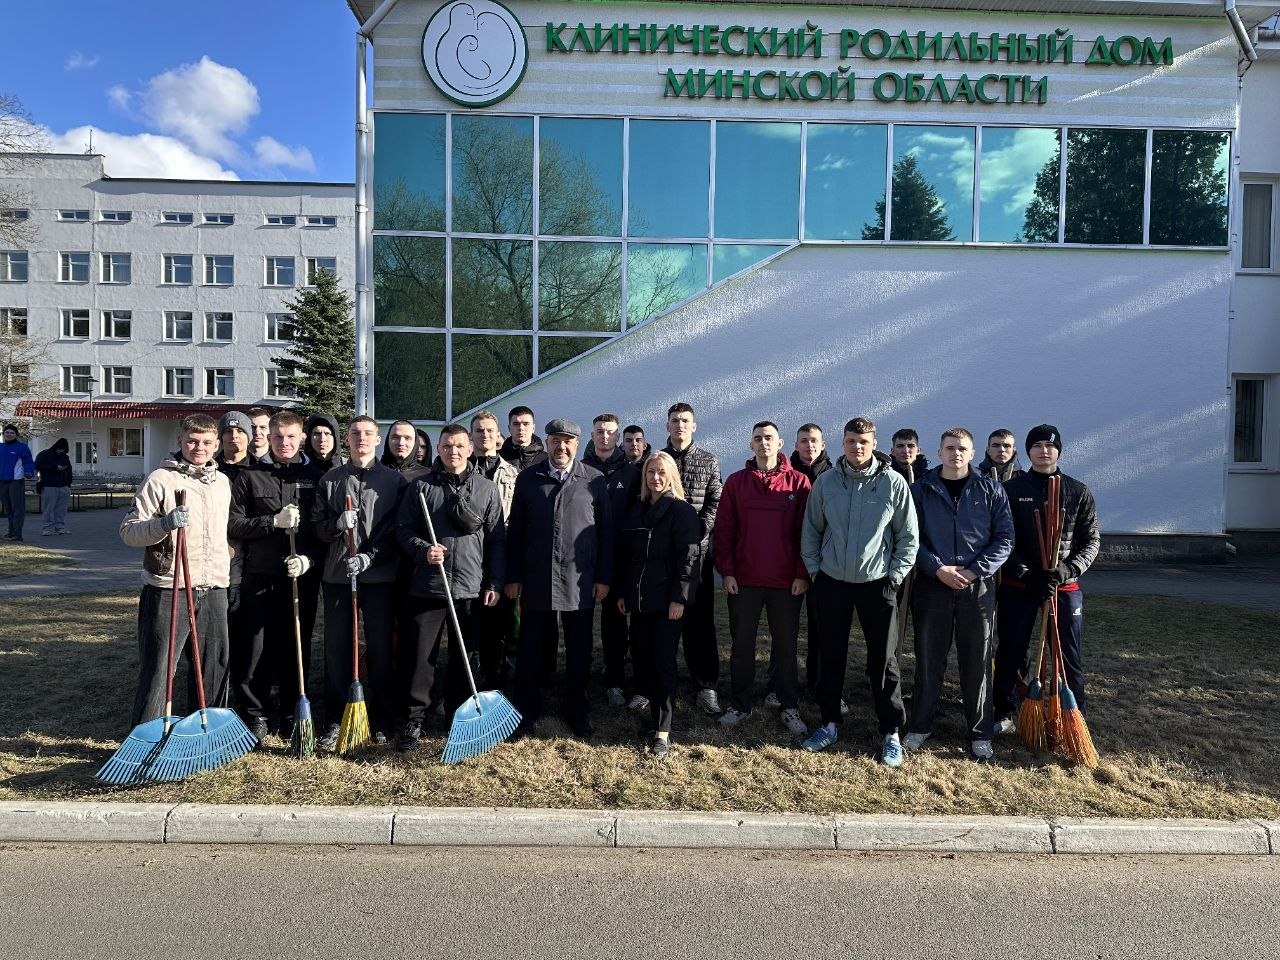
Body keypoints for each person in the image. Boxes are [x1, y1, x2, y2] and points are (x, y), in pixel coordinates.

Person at [800, 417, 918, 766]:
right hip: (832, 581)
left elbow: (908, 537)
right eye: (851, 441)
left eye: (864, 441)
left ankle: (891, 731)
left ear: (874, 444)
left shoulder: (893, 483)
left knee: (884, 660)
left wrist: (895, 577)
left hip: (877, 583)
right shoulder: (826, 482)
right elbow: (811, 530)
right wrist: (815, 570)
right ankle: (829, 723)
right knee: (830, 655)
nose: (857, 447)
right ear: (843, 443)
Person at [904, 428, 1013, 763]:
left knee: (977, 662)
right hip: (933, 586)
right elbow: (909, 537)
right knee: (928, 658)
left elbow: (1004, 539)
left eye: (962, 448)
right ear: (939, 452)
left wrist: (974, 570)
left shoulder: (990, 489)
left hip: (976, 588)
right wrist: (937, 568)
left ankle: (980, 732)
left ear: (972, 452)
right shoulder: (920, 490)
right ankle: (920, 725)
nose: (956, 453)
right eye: (950, 448)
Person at [395, 424, 505, 750]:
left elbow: (497, 540)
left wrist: (494, 581)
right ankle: (415, 718)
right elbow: (403, 530)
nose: (452, 452)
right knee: (421, 657)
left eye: (459, 446)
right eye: (446, 446)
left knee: (463, 656)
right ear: (438, 449)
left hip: (470, 587)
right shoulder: (421, 487)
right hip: (428, 586)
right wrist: (423, 550)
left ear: (470, 449)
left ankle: (456, 714)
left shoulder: (486, 489)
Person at [119, 414, 231, 724]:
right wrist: (164, 524)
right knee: (159, 668)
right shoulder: (161, 479)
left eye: (206, 442)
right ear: (180, 440)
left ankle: (206, 728)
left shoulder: (222, 483)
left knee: (213, 666)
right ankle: (147, 734)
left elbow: (221, 534)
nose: (199, 447)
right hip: (170, 587)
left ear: (216, 445)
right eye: (192, 441)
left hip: (213, 586)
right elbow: (129, 532)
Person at [506, 418, 612, 740]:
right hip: (537, 578)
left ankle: (576, 708)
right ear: (547, 442)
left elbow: (606, 533)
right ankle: (526, 709)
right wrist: (514, 575)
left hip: (579, 580)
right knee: (531, 648)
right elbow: (516, 533)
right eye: (555, 441)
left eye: (567, 441)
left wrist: (603, 577)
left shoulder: (594, 479)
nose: (561, 447)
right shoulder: (528, 479)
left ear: (577, 445)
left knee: (579, 650)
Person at [994, 425, 1101, 732]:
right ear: (1028, 451)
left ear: (1059, 451)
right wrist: (1025, 573)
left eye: (1050, 446)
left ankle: (1073, 716)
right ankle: (1003, 710)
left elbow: (1091, 541)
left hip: (1062, 586)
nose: (1044, 451)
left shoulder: (1077, 491)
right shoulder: (1011, 490)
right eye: (1037, 445)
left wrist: (1066, 571)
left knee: (1067, 655)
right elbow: (1003, 538)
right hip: (1020, 585)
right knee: (1011, 650)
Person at [227, 410, 325, 741]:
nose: (285, 443)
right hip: (260, 575)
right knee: (256, 648)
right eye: (278, 437)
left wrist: (309, 560)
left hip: (300, 577)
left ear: (302, 438)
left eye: (291, 437)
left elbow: (321, 530)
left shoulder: (315, 477)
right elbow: (234, 524)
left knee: (295, 645)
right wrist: (272, 522)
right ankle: (256, 713)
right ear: (268, 438)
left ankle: (291, 711)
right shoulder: (250, 476)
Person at [311, 416, 407, 748]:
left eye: (367, 434)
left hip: (379, 577)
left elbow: (398, 530)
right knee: (338, 648)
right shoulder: (331, 480)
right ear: (347, 439)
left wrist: (371, 557)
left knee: (380, 648)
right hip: (338, 576)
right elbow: (317, 528)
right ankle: (336, 719)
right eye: (355, 433)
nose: (361, 438)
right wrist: (337, 524)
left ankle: (382, 719)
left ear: (378, 440)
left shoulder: (394, 481)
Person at [714, 421, 811, 737]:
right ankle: (740, 704)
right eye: (758, 438)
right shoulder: (736, 483)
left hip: (786, 583)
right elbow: (724, 531)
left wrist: (802, 574)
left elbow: (807, 533)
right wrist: (727, 571)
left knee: (786, 648)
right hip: (744, 581)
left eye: (769, 437)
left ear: (781, 443)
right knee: (742, 646)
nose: (763, 442)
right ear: (751, 444)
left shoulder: (799, 483)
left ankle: (788, 705)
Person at [615, 452, 702, 758]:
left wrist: (680, 598)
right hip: (640, 601)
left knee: (664, 662)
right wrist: (624, 593)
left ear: (671, 476)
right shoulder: (637, 510)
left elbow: (689, 559)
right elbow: (628, 556)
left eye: (661, 472)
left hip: (668, 603)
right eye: (650, 472)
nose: (655, 477)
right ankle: (652, 717)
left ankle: (663, 731)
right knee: (644, 657)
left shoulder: (682, 512)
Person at [662, 402, 723, 716]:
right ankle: (658, 682)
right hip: (664, 556)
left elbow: (716, 500)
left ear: (694, 426)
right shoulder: (658, 459)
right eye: (675, 420)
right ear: (668, 426)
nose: (680, 425)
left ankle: (706, 684)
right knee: (663, 619)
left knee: (701, 623)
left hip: (699, 555)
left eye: (685, 420)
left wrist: (700, 530)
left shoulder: (708, 460)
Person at [583, 412, 641, 708]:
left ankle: (614, 680)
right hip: (582, 557)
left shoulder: (631, 473)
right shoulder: (580, 470)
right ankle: (579, 677)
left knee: (614, 623)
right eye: (599, 431)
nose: (604, 436)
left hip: (618, 559)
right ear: (592, 435)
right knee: (579, 621)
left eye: (610, 432)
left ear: (618, 436)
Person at [470, 409, 519, 685]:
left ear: (498, 435)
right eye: (479, 430)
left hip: (501, 557)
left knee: (498, 622)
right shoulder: (460, 469)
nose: (485, 435)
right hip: (467, 558)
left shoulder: (512, 473)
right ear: (471, 435)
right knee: (468, 621)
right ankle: (468, 673)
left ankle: (495, 675)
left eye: (490, 430)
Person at [790, 423, 832, 693]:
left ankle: (819, 682)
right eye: (804, 440)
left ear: (823, 444)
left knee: (822, 626)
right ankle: (781, 682)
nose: (809, 445)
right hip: (789, 561)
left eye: (814, 440)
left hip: (824, 564)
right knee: (784, 628)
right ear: (796, 445)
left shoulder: (834, 476)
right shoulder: (786, 474)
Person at [0, 423, 36, 541]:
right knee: (8, 508)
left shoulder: (22, 447)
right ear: (3, 434)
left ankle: (17, 534)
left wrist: (29, 472)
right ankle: (10, 532)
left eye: (12, 432)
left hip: (15, 481)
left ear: (16, 435)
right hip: (2, 482)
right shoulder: (1, 447)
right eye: (7, 432)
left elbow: (28, 462)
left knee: (17, 508)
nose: (9, 434)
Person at [34, 437, 73, 536]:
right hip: (49, 485)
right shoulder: (45, 454)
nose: (61, 451)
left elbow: (69, 470)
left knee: (61, 509)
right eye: (59, 449)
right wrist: (54, 467)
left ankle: (60, 528)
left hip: (64, 486)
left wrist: (68, 484)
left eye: (63, 449)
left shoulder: (65, 457)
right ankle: (47, 528)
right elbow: (38, 466)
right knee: (48, 509)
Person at [500, 406, 547, 471]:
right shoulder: (498, 459)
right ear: (509, 428)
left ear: (533, 428)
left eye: (526, 424)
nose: (521, 428)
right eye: (516, 424)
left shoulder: (547, 461)